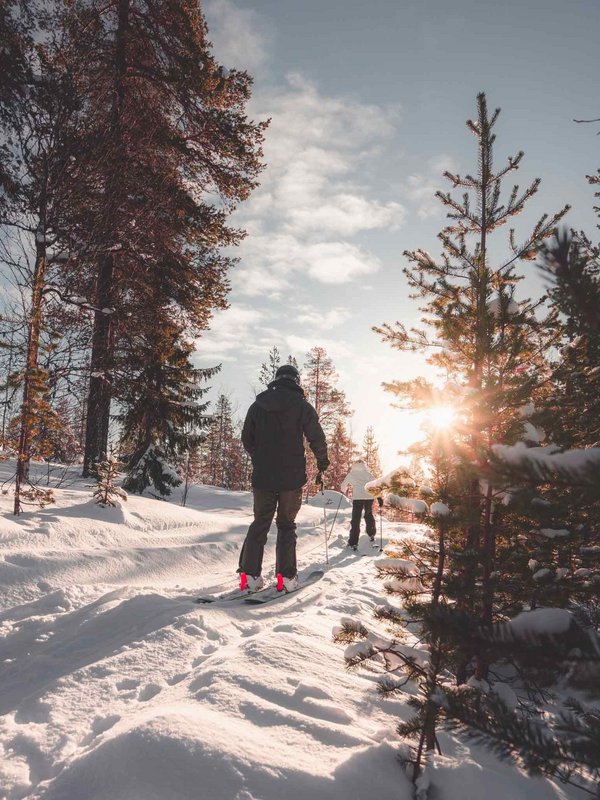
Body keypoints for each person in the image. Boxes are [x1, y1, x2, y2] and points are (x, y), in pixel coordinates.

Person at [238, 364, 329, 593]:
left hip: (263, 477)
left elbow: (246, 438)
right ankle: (286, 578)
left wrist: (259, 457)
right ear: (296, 381)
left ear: (276, 379)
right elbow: (316, 436)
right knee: (286, 525)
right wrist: (322, 462)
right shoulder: (302, 406)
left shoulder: (258, 405)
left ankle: (249, 576)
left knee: (260, 523)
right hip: (291, 478)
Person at [341, 460, 378, 550]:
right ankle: (371, 533)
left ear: (355, 465)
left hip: (358, 498)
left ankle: (353, 542)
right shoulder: (368, 474)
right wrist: (378, 496)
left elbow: (343, 486)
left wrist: (344, 490)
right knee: (368, 515)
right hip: (369, 498)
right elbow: (376, 485)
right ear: (364, 465)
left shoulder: (352, 474)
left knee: (356, 519)